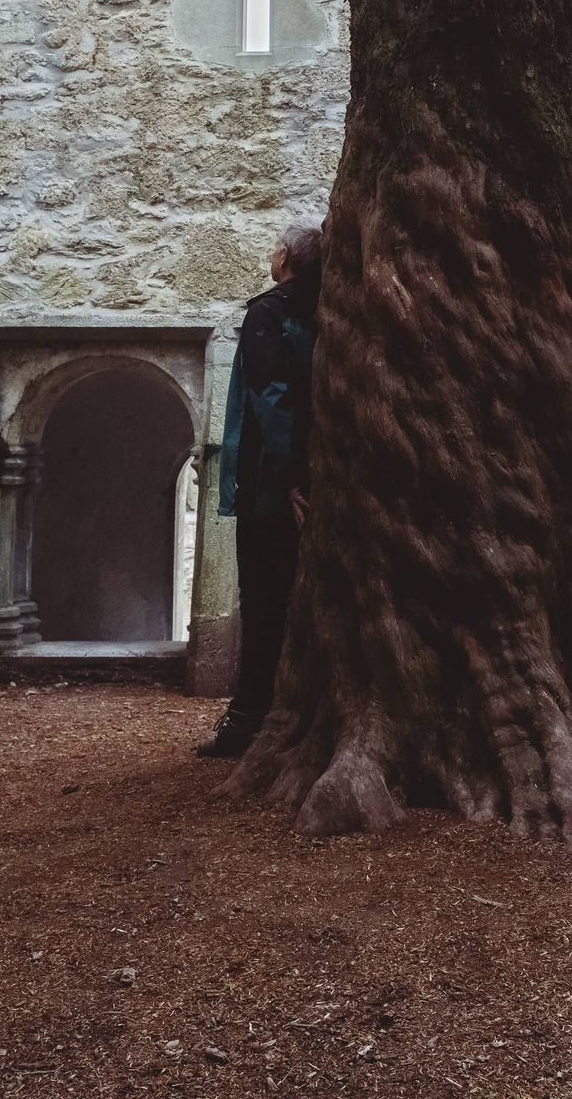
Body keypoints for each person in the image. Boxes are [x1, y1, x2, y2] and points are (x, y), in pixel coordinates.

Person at [197, 223, 322, 759]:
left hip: (274, 490)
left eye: (276, 248)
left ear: (287, 258)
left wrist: (289, 477)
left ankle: (248, 721)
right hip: (316, 481)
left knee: (265, 601)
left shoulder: (269, 312)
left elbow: (273, 398)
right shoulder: (327, 311)